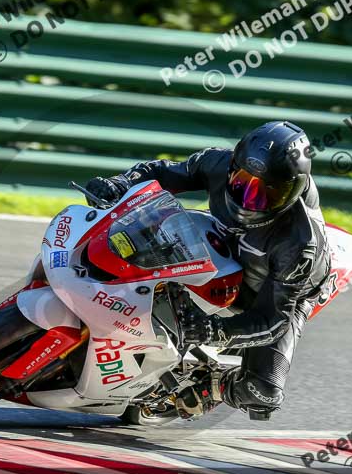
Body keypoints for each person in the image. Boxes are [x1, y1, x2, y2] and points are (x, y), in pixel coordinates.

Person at [85, 121, 331, 421]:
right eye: (242, 183)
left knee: (263, 392)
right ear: (232, 168)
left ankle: (214, 387)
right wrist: (120, 183)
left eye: (269, 194)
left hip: (277, 288)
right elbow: (163, 172)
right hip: (224, 241)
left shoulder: (299, 244)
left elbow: (272, 320)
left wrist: (217, 330)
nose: (250, 201)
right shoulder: (217, 161)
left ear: (294, 191)